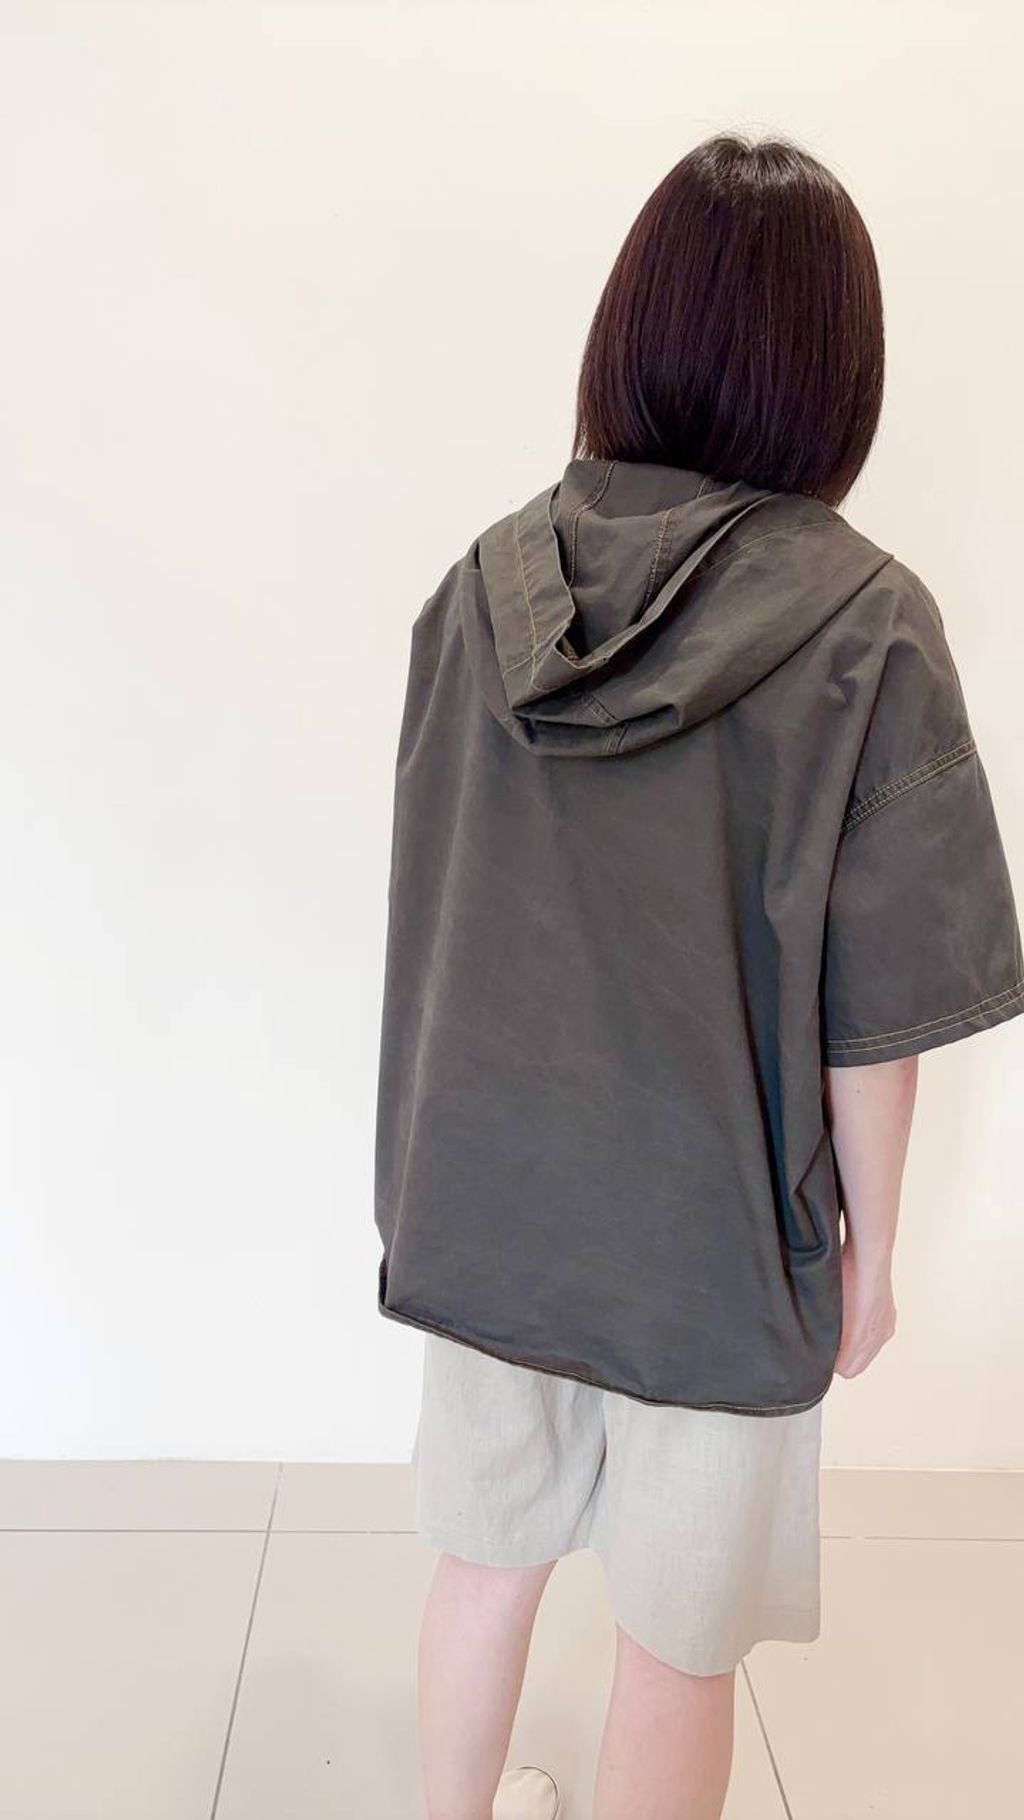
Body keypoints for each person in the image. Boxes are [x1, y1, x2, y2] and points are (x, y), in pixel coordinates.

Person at [372, 133, 1024, 1820]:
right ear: (835, 372)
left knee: (483, 1567)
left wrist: (424, 1180)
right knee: (676, 1647)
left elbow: (437, 902)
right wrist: (873, 1254)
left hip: (489, 1199)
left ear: (632, 328)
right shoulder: (869, 626)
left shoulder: (482, 587)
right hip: (715, 1236)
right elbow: (881, 1009)